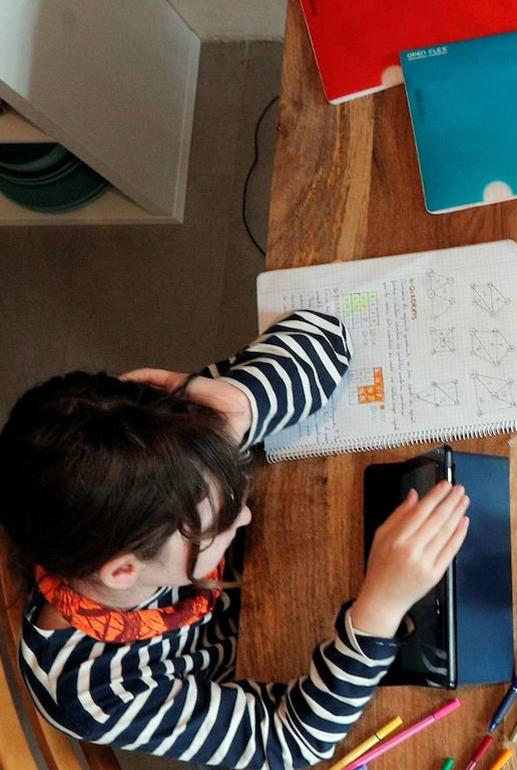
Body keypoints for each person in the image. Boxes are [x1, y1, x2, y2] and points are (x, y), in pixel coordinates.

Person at [0, 309, 470, 769]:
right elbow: (286, 742)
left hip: (280, 576)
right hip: (275, 656)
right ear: (124, 571)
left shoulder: (167, 442)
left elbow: (324, 333)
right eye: (219, 519)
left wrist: (243, 402)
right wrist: (378, 611)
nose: (243, 513)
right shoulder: (96, 693)